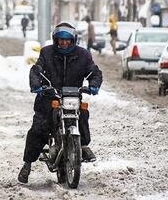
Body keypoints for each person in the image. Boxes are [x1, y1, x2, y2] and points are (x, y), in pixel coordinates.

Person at [17, 22, 103, 184]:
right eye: (61, 40)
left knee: (83, 114)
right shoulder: (47, 53)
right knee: (39, 128)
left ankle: (82, 145)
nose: (64, 43)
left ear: (73, 40)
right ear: (55, 39)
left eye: (67, 40)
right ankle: (27, 164)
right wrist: (37, 85)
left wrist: (93, 84)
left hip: (72, 97)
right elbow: (37, 70)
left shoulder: (83, 55)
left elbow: (94, 72)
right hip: (49, 98)